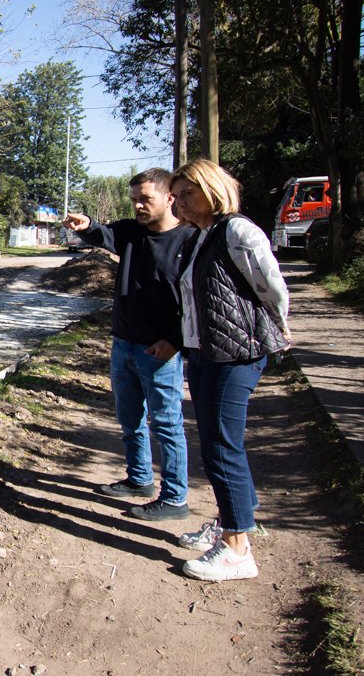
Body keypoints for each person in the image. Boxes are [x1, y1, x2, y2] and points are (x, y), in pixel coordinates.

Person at [170, 158, 290, 582]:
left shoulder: (237, 231)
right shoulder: (202, 236)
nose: (180, 202)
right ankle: (230, 522)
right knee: (215, 442)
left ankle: (237, 549)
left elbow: (272, 287)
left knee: (222, 447)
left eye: (188, 193)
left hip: (236, 354)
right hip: (206, 353)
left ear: (212, 189)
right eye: (176, 196)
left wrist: (279, 329)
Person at [63, 168, 196, 520]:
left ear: (169, 198)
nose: (138, 205)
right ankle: (139, 479)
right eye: (134, 199)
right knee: (130, 419)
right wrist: (86, 224)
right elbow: (103, 233)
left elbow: (196, 302)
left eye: (145, 199)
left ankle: (175, 498)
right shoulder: (132, 232)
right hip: (123, 345)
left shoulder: (189, 241)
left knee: (166, 424)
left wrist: (175, 342)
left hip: (160, 352)